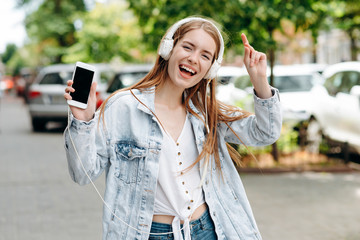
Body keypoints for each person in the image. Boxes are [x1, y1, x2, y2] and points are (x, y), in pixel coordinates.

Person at [64, 16, 282, 240]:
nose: (194, 58)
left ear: (211, 68)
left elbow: (265, 133)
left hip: (207, 230)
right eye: (188, 47)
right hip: (150, 234)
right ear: (169, 48)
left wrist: (259, 81)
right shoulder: (124, 106)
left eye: (205, 55)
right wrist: (82, 121)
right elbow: (83, 173)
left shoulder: (207, 112)